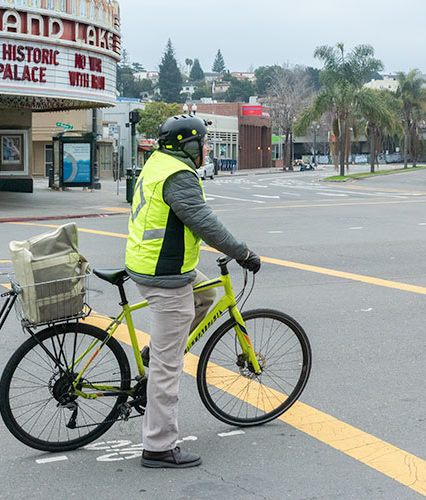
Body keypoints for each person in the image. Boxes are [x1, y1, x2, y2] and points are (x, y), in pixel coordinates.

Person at [125, 114, 261, 469]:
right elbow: (204, 222)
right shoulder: (179, 176)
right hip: (163, 273)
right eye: (204, 143)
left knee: (205, 295)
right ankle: (158, 446)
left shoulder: (159, 161)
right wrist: (242, 253)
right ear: (188, 146)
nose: (207, 149)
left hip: (152, 262)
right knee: (168, 367)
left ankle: (156, 350)